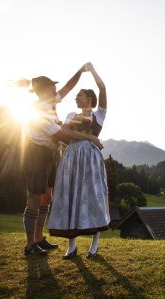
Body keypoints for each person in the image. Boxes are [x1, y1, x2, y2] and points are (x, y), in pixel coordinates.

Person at [23, 64, 102, 256]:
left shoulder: (50, 102)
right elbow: (64, 136)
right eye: (52, 86)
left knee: (47, 196)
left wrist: (80, 71)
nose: (56, 89)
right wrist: (90, 138)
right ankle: (30, 244)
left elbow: (67, 87)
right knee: (35, 196)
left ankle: (40, 237)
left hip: (49, 154)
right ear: (45, 90)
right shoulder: (40, 111)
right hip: (37, 154)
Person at [48, 63, 110, 259]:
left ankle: (95, 244)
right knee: (71, 195)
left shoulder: (98, 114)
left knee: (93, 196)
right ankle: (72, 245)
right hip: (72, 156)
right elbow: (64, 134)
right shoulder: (70, 115)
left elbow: (103, 88)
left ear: (89, 98)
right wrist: (90, 137)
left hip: (91, 159)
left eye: (80, 95)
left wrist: (91, 71)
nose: (76, 97)